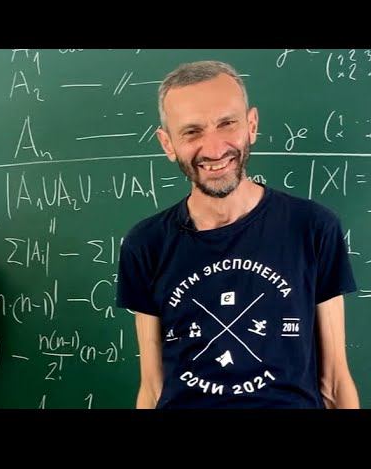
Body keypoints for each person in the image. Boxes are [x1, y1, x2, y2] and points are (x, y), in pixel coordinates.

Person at [116, 61, 359, 409]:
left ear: (252, 125)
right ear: (168, 144)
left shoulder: (313, 227)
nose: (214, 149)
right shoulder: (146, 244)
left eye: (227, 123)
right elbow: (153, 389)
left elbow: (334, 383)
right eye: (192, 132)